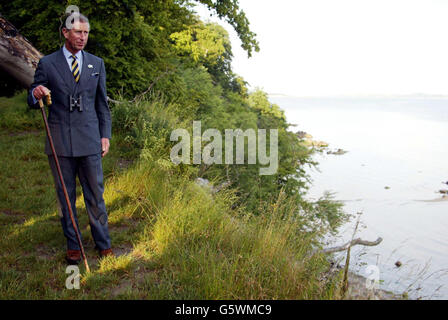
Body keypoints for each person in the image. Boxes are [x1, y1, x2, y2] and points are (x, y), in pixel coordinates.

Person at [28, 12, 113, 265]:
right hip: (60, 140)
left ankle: (103, 243)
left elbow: (102, 105)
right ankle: (74, 244)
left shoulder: (96, 64)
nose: (82, 37)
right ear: (65, 33)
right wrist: (36, 92)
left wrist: (105, 135)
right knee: (66, 195)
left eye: (86, 33)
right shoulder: (48, 63)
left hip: (89, 139)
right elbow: (33, 99)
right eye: (78, 32)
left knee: (95, 194)